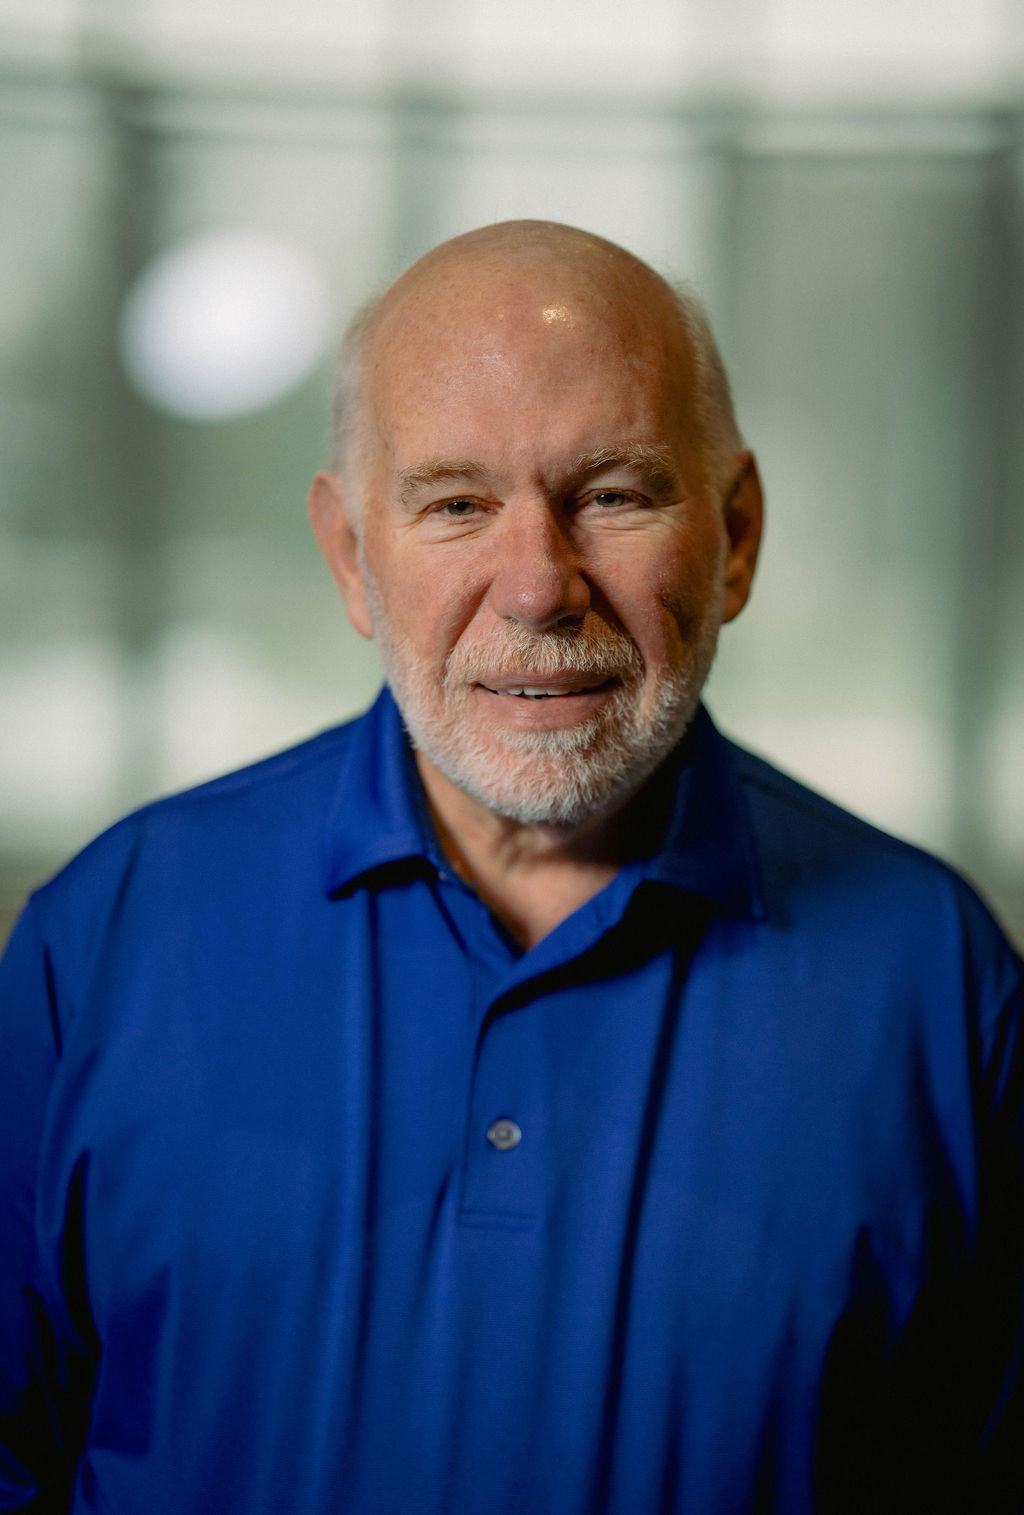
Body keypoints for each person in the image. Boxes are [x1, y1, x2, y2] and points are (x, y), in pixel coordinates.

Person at [1, 219, 1021, 1515]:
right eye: (457, 505)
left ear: (739, 535)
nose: (538, 586)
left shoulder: (940, 985)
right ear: (352, 559)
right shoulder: (105, 946)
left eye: (612, 493)